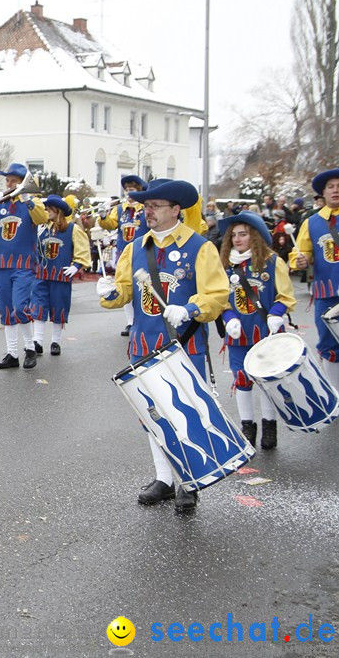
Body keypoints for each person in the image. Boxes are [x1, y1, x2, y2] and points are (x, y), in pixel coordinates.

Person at [97, 180, 229, 513]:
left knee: (184, 412)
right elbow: (125, 292)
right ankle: (163, 479)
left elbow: (217, 295)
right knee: (152, 414)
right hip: (144, 342)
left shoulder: (200, 247)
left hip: (183, 344)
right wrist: (108, 292)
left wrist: (191, 308)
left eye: (155, 206)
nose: (148, 212)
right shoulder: (135, 247)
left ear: (175, 210)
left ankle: (188, 481)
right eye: (146, 206)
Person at [217, 212, 295, 449]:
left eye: (243, 234)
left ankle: (269, 425)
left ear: (255, 236)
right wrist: (228, 317)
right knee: (242, 379)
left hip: (265, 332)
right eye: (233, 235)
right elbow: (220, 298)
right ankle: (247, 425)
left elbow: (286, 294)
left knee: (266, 379)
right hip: (238, 333)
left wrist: (276, 313)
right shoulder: (225, 265)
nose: (237, 239)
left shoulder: (272, 262)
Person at [0, 162, 48, 370]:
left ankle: (30, 348)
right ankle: (12, 353)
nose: (8, 184)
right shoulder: (0, 203)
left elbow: (42, 218)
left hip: (23, 264)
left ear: (22, 183)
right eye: (7, 180)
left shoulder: (31, 202)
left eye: (13, 181)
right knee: (6, 310)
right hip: (2, 264)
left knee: (20, 307)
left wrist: (28, 200)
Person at [291, 168, 339, 386]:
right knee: (329, 344)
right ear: (323, 193)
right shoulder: (311, 222)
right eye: (331, 187)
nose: (335, 190)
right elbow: (300, 253)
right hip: (326, 293)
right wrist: (299, 262)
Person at [31, 196, 91, 356]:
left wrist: (77, 266)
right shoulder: (42, 228)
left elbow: (82, 249)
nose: (46, 212)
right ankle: (37, 340)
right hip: (42, 274)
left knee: (59, 308)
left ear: (58, 211)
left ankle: (55, 341)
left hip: (60, 274)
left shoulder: (72, 228)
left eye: (49, 209)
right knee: (38, 306)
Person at [98, 175, 149, 338]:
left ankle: (145, 318)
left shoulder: (145, 208)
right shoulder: (120, 209)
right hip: (124, 253)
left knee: (143, 286)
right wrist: (103, 216)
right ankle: (130, 321)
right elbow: (110, 225)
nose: (128, 193)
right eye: (126, 190)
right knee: (125, 285)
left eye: (132, 190)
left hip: (143, 252)